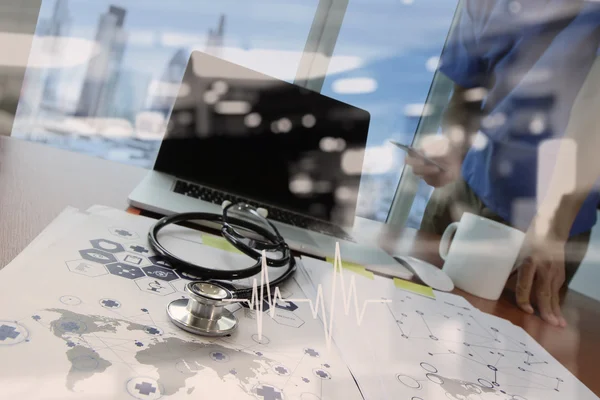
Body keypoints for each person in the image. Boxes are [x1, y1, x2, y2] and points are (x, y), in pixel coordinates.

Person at [406, 0, 600, 327]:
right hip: (462, 195)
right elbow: (465, 91)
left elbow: (593, 117)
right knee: (409, 317)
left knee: (501, 354)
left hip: (551, 219)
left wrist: (552, 225)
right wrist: (454, 146)